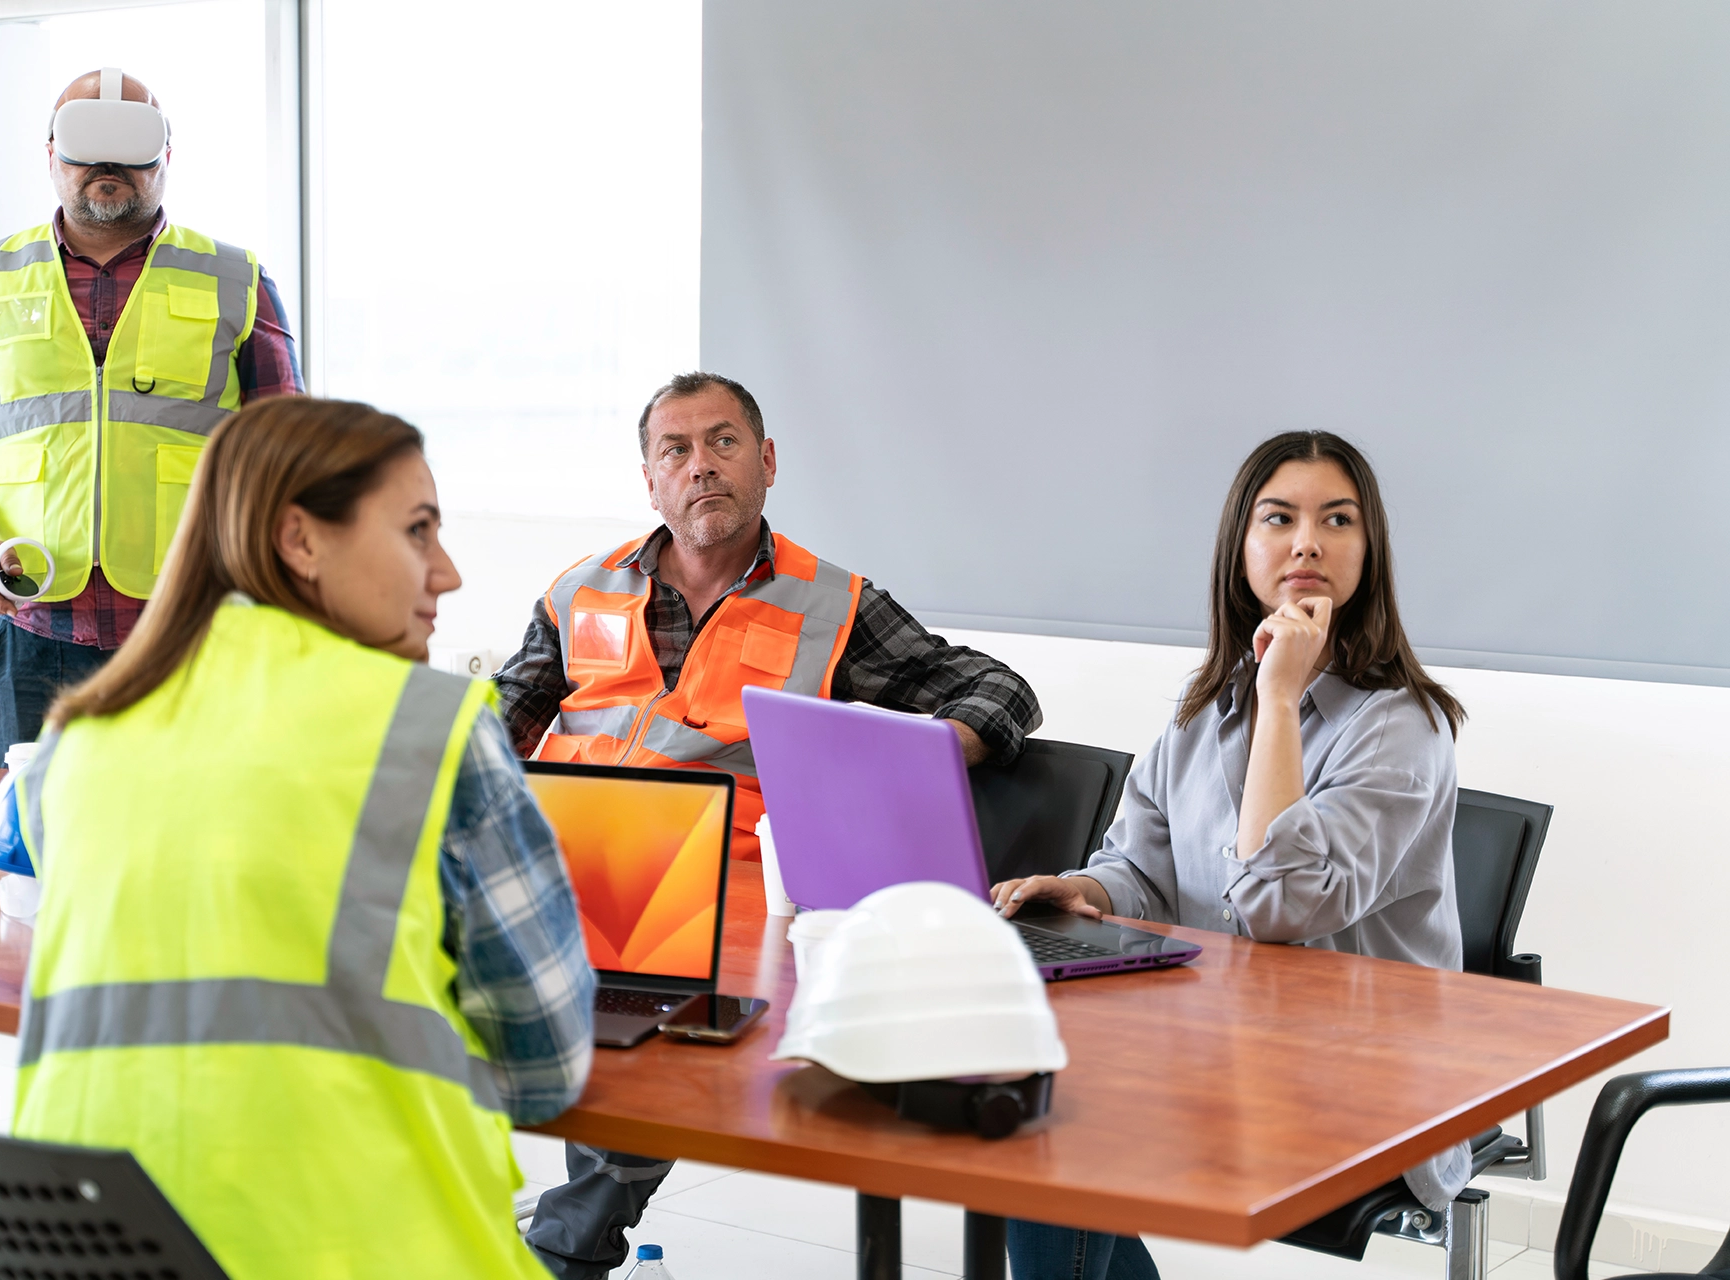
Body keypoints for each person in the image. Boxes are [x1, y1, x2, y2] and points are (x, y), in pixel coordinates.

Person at [6, 397, 592, 1278]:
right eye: (419, 531)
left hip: (90, 1248)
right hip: (361, 1246)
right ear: (301, 540)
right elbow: (546, 1066)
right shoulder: (426, 729)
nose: (449, 573)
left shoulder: (72, 741)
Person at [499, 370, 1044, 1280]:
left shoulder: (830, 603)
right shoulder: (578, 593)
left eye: (722, 442)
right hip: (574, 886)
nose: (701, 466)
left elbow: (1000, 691)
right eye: (675, 449)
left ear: (766, 461)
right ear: (649, 477)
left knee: (645, 1057)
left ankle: (559, 1253)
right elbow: (499, 724)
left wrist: (911, 755)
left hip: (725, 909)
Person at [991, 430, 1469, 1280]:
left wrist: (1283, 697)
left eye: (1338, 520)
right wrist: (1079, 889)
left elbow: (1279, 909)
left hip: (1359, 1079)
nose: (1308, 542)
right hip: (1214, 1043)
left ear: (1370, 551)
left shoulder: (1403, 725)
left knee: (1056, 1129)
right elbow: (1141, 869)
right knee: (1016, 1111)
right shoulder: (1206, 704)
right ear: (1241, 549)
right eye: (1279, 518)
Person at [0, 67, 303, 765]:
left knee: (195, 847)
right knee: (41, 852)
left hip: (196, 627)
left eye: (132, 145)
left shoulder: (237, 280)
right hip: (36, 626)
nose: (108, 165)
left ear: (166, 159)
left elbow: (292, 451)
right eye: (86, 144)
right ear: (50, 154)